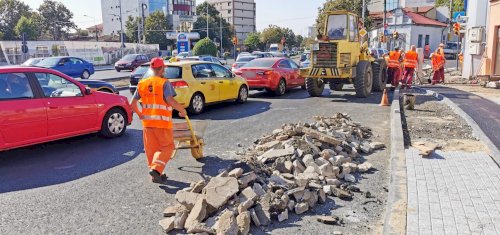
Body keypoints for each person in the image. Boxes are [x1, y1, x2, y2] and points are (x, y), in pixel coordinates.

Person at [130, 57, 187, 184]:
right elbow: (171, 100)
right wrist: (182, 110)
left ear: (151, 68)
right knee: (168, 146)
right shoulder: (164, 83)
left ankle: (155, 174)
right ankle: (156, 170)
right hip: (162, 123)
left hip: (147, 124)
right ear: (162, 68)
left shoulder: (142, 84)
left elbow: (132, 104)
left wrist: (140, 115)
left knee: (152, 150)